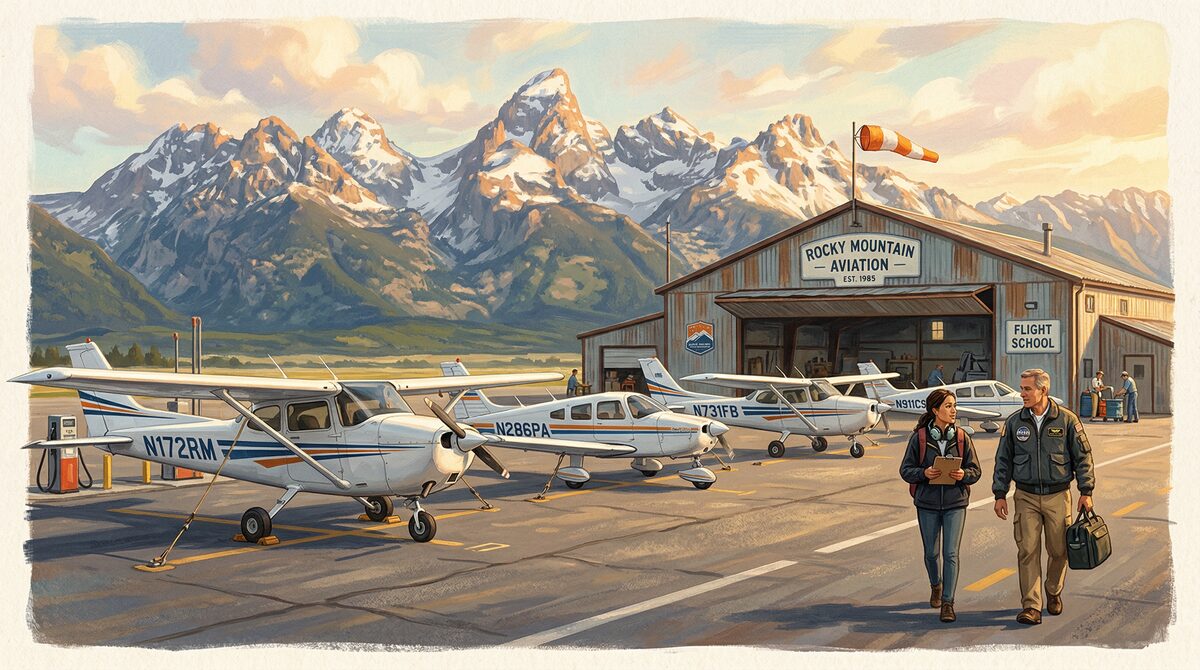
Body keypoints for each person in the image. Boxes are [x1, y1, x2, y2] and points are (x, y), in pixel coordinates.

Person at [993, 368, 1095, 626]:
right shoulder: (1015, 422)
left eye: (1027, 389)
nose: (1022, 394)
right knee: (1027, 550)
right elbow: (1003, 460)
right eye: (1022, 388)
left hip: (1058, 496)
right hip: (1025, 496)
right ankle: (1031, 605)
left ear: (1043, 390)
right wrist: (1000, 493)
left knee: (1059, 550)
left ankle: (1053, 590)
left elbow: (1083, 458)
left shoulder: (1067, 420)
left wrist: (1086, 491)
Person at [899, 388, 982, 623]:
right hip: (927, 502)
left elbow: (976, 471)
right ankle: (936, 584)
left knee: (951, 553)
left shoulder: (963, 438)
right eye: (947, 406)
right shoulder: (920, 438)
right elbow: (905, 470)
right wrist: (924, 473)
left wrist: (963, 474)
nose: (953, 410)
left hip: (956, 502)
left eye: (954, 405)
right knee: (931, 553)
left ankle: (948, 602)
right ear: (935, 410)